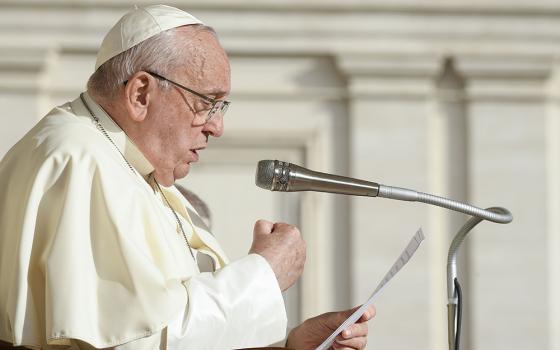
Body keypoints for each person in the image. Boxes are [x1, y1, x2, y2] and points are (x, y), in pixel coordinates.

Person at [0, 5, 374, 349]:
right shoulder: (78, 159)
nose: (218, 126)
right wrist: (262, 276)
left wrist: (291, 348)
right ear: (141, 94)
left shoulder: (128, 166)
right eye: (206, 103)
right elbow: (135, 341)